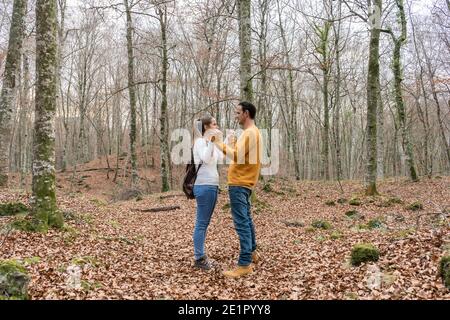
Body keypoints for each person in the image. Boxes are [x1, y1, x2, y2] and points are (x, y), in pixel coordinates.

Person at [209, 101, 262, 278]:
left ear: (246, 113)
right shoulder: (251, 133)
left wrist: (217, 142)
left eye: (238, 112)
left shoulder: (250, 133)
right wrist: (231, 142)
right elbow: (240, 155)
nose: (235, 115)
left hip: (240, 184)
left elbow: (236, 156)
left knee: (241, 223)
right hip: (243, 183)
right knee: (246, 219)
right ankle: (252, 252)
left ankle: (244, 264)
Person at [192, 115, 223, 270]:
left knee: (204, 223)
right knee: (201, 223)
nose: (217, 126)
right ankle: (199, 258)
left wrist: (226, 142)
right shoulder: (199, 142)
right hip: (204, 186)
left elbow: (221, 158)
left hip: (212, 185)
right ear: (206, 127)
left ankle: (200, 256)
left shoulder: (210, 143)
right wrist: (211, 142)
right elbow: (205, 158)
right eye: (214, 124)